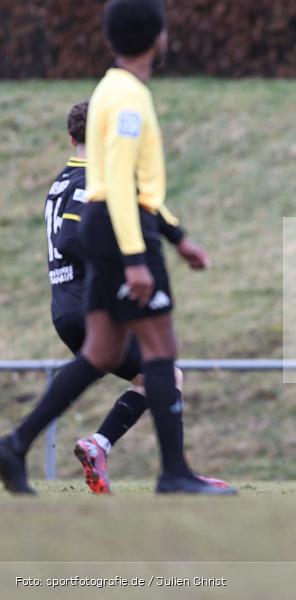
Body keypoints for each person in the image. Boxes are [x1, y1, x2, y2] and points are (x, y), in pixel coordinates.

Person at [0, 0, 235, 495]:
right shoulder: (130, 98)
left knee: (99, 354)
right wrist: (137, 257)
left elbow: (114, 180)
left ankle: (15, 444)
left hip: (109, 230)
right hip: (124, 234)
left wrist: (178, 236)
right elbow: (123, 187)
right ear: (160, 37)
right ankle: (174, 473)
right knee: (161, 354)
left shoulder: (106, 89)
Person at [42, 101, 228, 494]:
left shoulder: (60, 182)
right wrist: (123, 271)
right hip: (86, 303)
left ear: (70, 136)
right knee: (166, 373)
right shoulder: (92, 180)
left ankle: (96, 446)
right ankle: (165, 469)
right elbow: (71, 239)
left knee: (154, 375)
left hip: (63, 306)